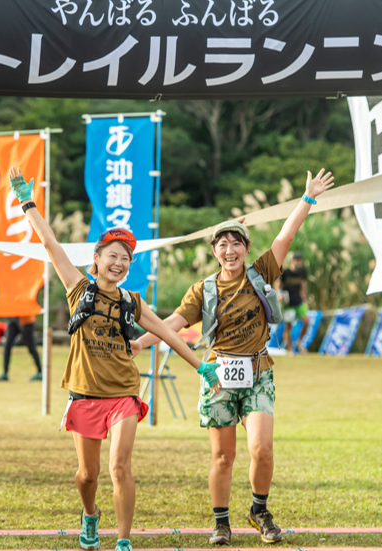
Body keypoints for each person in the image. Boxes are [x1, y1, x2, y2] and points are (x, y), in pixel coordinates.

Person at [9, 166, 220, 551]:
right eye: (113, 255)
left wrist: (200, 366)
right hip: (85, 394)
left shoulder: (131, 301)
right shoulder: (78, 289)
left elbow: (167, 333)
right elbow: (51, 244)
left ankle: (123, 540)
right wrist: (27, 202)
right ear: (97, 258)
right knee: (87, 475)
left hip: (123, 392)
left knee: (119, 466)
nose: (119, 262)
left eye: (126, 257)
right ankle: (90, 514)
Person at [134, 169, 335, 546]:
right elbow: (172, 323)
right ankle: (221, 522)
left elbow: (285, 236)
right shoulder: (203, 290)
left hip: (258, 373)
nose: (230, 250)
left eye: (236, 243)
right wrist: (138, 344)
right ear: (214, 251)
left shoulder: (261, 273)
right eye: (223, 244)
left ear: (246, 247)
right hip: (218, 377)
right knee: (223, 456)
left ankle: (259, 510)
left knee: (262, 448)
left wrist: (307, 198)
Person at [278, 251, 309, 354]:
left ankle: (299, 342)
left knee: (306, 322)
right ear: (292, 261)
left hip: (298, 301)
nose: (298, 263)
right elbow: (278, 285)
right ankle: (290, 349)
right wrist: (279, 294)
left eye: (300, 261)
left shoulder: (302, 272)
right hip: (288, 303)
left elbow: (303, 286)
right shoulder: (285, 272)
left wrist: (305, 299)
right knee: (288, 326)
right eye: (297, 261)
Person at [0, 316, 42, 382]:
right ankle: (5, 373)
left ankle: (40, 373)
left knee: (31, 347)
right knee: (7, 346)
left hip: (26, 320)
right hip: (12, 319)